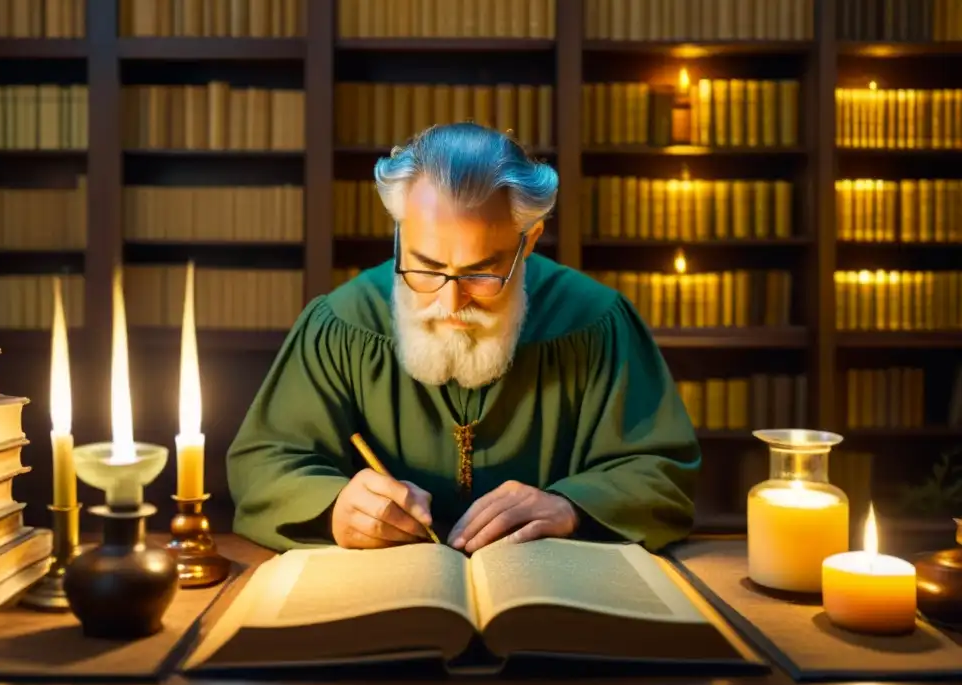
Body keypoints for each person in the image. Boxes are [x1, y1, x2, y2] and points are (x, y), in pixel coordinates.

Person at [226, 122, 701, 555]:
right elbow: (264, 463)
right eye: (427, 267)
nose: (451, 304)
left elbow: (662, 474)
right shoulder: (343, 322)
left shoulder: (596, 323)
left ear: (528, 241)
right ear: (398, 231)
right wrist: (332, 507)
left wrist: (570, 506)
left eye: (481, 272)